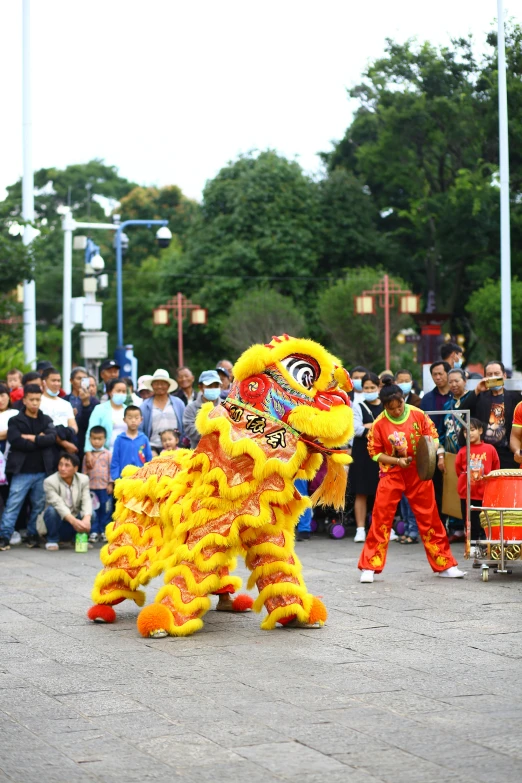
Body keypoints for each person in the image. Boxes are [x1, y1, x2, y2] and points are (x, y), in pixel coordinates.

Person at [358, 378, 464, 582]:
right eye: (392, 409)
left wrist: (432, 454)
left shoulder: (418, 414)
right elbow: (375, 453)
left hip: (418, 473)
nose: (397, 411)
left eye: (399, 406)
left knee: (430, 517)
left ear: (403, 400)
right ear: (385, 406)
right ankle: (369, 566)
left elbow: (432, 437)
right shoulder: (379, 423)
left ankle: (445, 564)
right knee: (381, 518)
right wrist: (397, 460)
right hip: (391, 473)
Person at [0, 384, 56, 551]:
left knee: (38, 505)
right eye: (31, 399)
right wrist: (39, 440)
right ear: (24, 400)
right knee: (13, 504)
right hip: (21, 471)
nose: (34, 403)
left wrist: (31, 439)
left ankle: (32, 534)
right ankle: (4, 536)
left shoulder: (46, 419)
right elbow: (16, 440)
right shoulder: (15, 420)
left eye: (37, 399)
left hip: (42, 470)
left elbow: (51, 438)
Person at [350, 372, 384, 544]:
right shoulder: (358, 406)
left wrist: (370, 426)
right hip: (362, 454)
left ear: (379, 388)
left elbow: (391, 427)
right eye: (366, 388)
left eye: (372, 387)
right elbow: (356, 429)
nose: (369, 390)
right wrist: (377, 428)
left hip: (382, 454)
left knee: (382, 492)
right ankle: (360, 529)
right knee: (361, 492)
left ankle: (383, 527)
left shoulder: (386, 405)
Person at [455, 419, 500, 542]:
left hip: (485, 493)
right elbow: (458, 470)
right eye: (465, 431)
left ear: (480, 431)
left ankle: (486, 544)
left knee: (485, 521)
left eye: (472, 430)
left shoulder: (490, 449)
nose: (469, 433)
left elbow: (496, 469)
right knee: (470, 521)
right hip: (467, 494)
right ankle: (473, 546)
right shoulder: (463, 451)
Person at [474, 361, 521, 469]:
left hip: (508, 452)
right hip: (485, 453)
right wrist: (477, 390)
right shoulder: (480, 397)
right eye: (489, 374)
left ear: (504, 376)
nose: (493, 377)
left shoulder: (515, 397)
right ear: (485, 377)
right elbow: (463, 411)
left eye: (496, 373)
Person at [43, 453, 92, 551]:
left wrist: (87, 519)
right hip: (60, 520)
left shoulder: (83, 479)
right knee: (51, 511)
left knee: (91, 514)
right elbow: (58, 504)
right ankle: (52, 539)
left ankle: (77, 539)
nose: (62, 468)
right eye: (60, 464)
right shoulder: (49, 481)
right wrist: (74, 521)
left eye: (67, 465)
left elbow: (86, 499)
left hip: (74, 518)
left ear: (75, 468)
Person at [140, 369, 185, 456]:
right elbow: (140, 429)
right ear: (152, 386)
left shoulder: (178, 403)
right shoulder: (144, 406)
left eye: (163, 383)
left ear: (168, 386)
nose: (160, 386)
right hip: (153, 447)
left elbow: (184, 425)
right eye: (156, 383)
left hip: (175, 447)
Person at [84, 378, 128, 468]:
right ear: (110, 392)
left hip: (125, 454)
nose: (122, 394)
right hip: (104, 454)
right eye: (118, 391)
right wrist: (88, 452)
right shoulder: (100, 409)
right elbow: (91, 431)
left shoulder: (128, 410)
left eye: (124, 391)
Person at [39, 367, 78, 463]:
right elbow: (40, 430)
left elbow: (73, 426)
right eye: (53, 380)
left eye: (58, 381)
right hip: (46, 448)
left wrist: (68, 434)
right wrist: (64, 444)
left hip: (67, 447)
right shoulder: (38, 402)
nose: (57, 384)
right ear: (43, 382)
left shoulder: (66, 404)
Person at [82, 425, 113, 544]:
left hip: (105, 488)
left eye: (100, 439)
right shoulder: (87, 456)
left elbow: (111, 470)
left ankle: (104, 531)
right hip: (91, 488)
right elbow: (84, 472)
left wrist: (111, 484)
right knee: (92, 510)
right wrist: (84, 488)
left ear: (105, 439)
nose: (96, 441)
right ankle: (94, 531)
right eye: (94, 439)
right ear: (89, 439)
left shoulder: (108, 454)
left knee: (106, 510)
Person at [183, 370, 222, 450]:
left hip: (222, 453)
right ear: (200, 387)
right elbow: (190, 430)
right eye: (209, 386)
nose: (213, 388)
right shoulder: (191, 408)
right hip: (199, 453)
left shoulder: (226, 406)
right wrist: (214, 432)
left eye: (216, 385)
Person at [111, 405, 152, 480]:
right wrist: (115, 478)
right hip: (123, 478)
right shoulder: (119, 439)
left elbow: (149, 459)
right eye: (130, 418)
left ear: (141, 419)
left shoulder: (144, 439)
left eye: (136, 418)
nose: (133, 420)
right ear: (124, 420)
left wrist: (148, 476)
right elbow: (115, 460)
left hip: (141, 479)